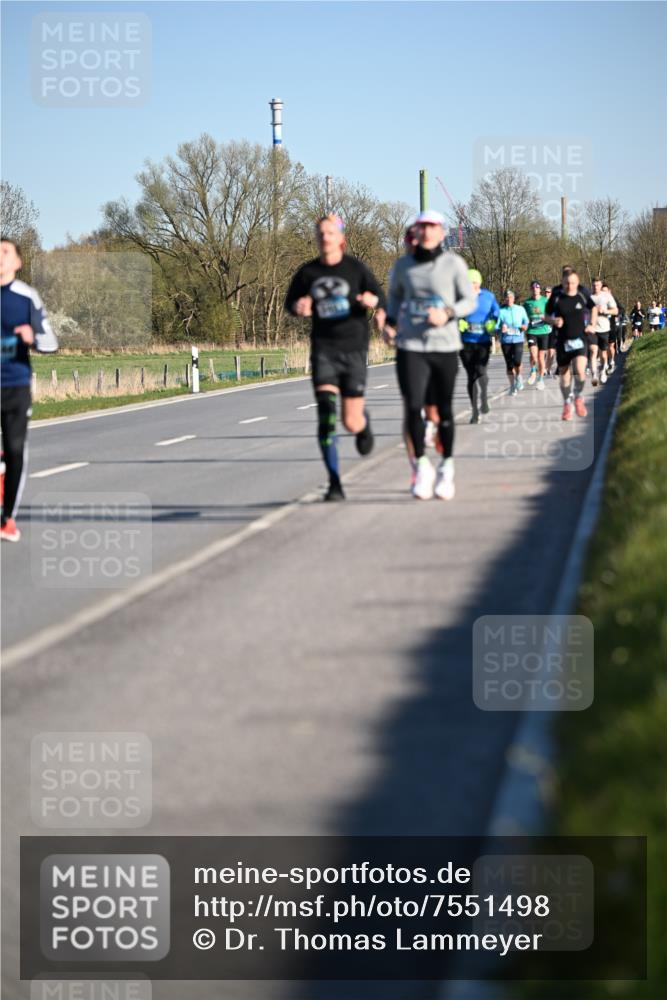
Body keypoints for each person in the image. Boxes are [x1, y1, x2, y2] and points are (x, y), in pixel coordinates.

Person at [285, 215, 385, 501]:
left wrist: (374, 302)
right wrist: (299, 307)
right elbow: (290, 303)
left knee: (351, 422)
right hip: (324, 351)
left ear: (341, 238)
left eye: (330, 233)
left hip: (354, 350)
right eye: (320, 233)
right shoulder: (308, 273)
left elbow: (381, 299)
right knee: (326, 416)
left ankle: (363, 424)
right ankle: (334, 482)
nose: (325, 237)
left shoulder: (356, 269)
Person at [383, 210, 477, 500]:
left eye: (431, 227)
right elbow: (394, 299)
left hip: (444, 346)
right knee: (413, 407)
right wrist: (389, 325)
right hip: (411, 346)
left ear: (441, 232)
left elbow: (469, 301)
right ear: (416, 231)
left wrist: (447, 313)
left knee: (444, 410)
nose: (426, 232)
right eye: (421, 227)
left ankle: (446, 468)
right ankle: (422, 467)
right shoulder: (403, 266)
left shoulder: (453, 264)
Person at [1, 238, 58, 542]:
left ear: (18, 262)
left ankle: (7, 518)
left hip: (15, 385)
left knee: (14, 451)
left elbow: (51, 342)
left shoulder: (27, 297)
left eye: (5, 252)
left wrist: (32, 337)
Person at [544, 270, 598, 421]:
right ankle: (567, 403)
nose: (570, 285)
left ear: (577, 282)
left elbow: (594, 308)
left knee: (580, 371)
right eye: (567, 283)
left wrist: (592, 324)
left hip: (580, 339)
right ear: (562, 282)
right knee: (564, 375)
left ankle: (578, 396)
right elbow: (546, 316)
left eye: (573, 283)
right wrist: (553, 321)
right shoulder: (556, 297)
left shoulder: (582, 295)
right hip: (563, 341)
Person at [459, 268, 499, 422]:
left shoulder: (488, 296)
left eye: (474, 282)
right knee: (471, 376)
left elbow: (496, 312)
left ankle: (484, 397)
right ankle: (475, 411)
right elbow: (452, 313)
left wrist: (492, 323)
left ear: (479, 283)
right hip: (466, 342)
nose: (471, 286)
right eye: (468, 283)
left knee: (481, 371)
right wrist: (459, 322)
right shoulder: (461, 297)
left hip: (482, 341)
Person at [496, 290, 529, 396]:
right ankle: (512, 386)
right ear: (504, 299)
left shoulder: (520, 309)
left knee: (517, 362)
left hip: (518, 339)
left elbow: (526, 321)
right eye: (507, 297)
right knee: (509, 365)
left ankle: (518, 376)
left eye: (510, 297)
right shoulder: (501, 311)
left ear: (514, 298)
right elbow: (496, 326)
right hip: (506, 341)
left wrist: (524, 326)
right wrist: (500, 329)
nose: (508, 299)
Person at [522, 280, 553, 390]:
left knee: (540, 357)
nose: (535, 289)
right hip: (532, 332)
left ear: (540, 289)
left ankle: (540, 380)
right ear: (531, 290)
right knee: (533, 355)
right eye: (533, 288)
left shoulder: (546, 301)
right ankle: (533, 371)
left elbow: (551, 316)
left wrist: (546, 319)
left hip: (543, 331)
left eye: (537, 287)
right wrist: (524, 323)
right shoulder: (527, 303)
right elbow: (523, 317)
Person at [590, 277, 618, 385]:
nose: (595, 287)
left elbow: (616, 311)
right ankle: (594, 375)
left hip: (604, 328)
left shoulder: (606, 296)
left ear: (601, 285)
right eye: (594, 285)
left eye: (597, 285)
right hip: (592, 329)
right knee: (593, 351)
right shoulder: (589, 297)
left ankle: (602, 371)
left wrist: (605, 311)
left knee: (603, 353)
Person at [603, 282, 622, 371]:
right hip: (602, 327)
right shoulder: (598, 300)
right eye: (602, 291)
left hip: (612, 326)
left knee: (611, 346)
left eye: (605, 291)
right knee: (604, 347)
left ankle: (612, 360)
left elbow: (621, 309)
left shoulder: (613, 300)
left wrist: (616, 313)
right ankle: (606, 363)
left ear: (609, 291)